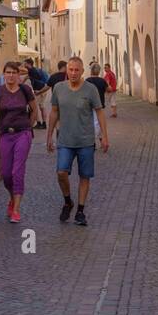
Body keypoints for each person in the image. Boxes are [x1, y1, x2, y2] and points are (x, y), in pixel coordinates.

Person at [46, 56, 109, 227]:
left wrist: (104, 136)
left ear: (82, 71)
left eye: (77, 70)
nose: (73, 73)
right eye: (71, 69)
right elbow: (53, 112)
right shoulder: (59, 88)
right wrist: (49, 135)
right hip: (65, 140)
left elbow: (100, 112)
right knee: (61, 172)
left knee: (84, 175)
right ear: (67, 70)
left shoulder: (90, 90)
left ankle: (80, 211)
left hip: (85, 141)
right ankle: (68, 201)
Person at [0, 60, 40, 223]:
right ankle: (12, 198)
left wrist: (29, 126)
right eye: (8, 72)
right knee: (6, 173)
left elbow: (34, 109)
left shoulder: (25, 90)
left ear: (18, 75)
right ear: (4, 75)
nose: (10, 76)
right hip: (5, 135)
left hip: (22, 134)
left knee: (17, 171)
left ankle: (16, 209)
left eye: (13, 73)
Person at [25, 58, 49, 129]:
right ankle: (44, 123)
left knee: (34, 107)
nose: (24, 65)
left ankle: (38, 123)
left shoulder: (31, 70)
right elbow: (26, 78)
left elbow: (25, 76)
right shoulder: (35, 70)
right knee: (42, 106)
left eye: (25, 63)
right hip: (43, 88)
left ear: (29, 64)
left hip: (38, 91)